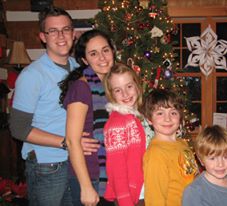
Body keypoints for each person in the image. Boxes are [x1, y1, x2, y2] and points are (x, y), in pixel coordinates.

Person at [9, 6, 97, 206]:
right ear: (43, 37)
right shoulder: (32, 75)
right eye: (53, 31)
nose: (61, 36)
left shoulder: (79, 68)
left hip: (77, 161)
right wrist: (68, 142)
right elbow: (19, 128)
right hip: (47, 165)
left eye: (66, 29)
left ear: (73, 34)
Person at [59, 29, 115, 206]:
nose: (102, 57)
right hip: (91, 177)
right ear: (84, 60)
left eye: (105, 50)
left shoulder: (113, 86)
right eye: (93, 53)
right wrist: (86, 187)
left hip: (111, 174)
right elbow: (72, 141)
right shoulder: (82, 88)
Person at [142, 89, 198, 206]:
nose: (167, 119)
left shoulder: (182, 143)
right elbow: (155, 199)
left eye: (173, 113)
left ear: (180, 117)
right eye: (160, 113)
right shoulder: (156, 154)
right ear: (149, 119)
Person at [103, 63, 146, 206]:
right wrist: (125, 201)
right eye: (118, 90)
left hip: (142, 191)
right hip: (130, 197)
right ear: (111, 93)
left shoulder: (134, 117)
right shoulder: (117, 123)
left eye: (129, 86)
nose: (126, 94)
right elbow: (117, 170)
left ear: (137, 86)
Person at [182, 125, 227, 206]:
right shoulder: (194, 192)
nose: (220, 164)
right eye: (212, 158)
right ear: (201, 161)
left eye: (226, 157)